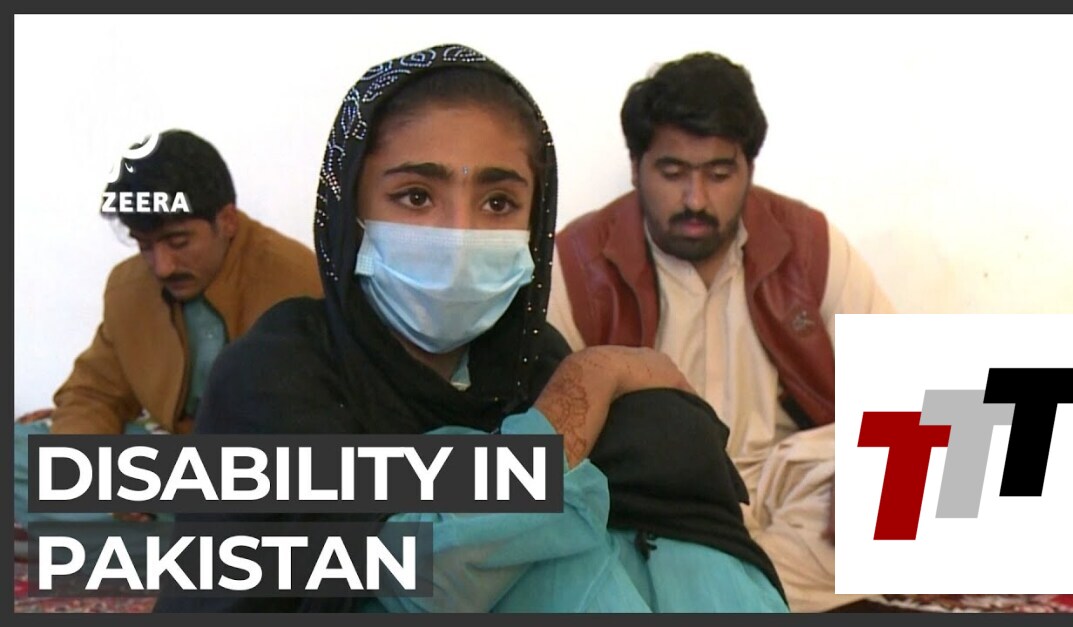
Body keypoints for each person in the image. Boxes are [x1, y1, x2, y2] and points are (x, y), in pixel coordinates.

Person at [154, 43, 788, 613]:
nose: (458, 236)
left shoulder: (531, 361)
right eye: (415, 196)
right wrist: (591, 380)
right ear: (351, 209)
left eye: (498, 203)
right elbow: (414, 574)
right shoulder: (274, 376)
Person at [546, 52, 895, 612]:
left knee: (877, 489)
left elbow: (898, 384)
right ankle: (737, 590)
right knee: (584, 543)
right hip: (661, 504)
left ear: (749, 169)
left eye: (718, 174)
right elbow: (553, 428)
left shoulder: (808, 245)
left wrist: (873, 475)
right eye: (673, 173)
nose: (695, 199)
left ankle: (709, 591)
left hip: (788, 492)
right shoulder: (580, 264)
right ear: (636, 167)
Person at [14, 129, 323, 527]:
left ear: (227, 221)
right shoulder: (129, 287)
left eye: (178, 242)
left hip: (258, 476)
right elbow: (94, 394)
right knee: (23, 453)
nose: (162, 266)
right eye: (145, 246)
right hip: (168, 466)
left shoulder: (297, 283)